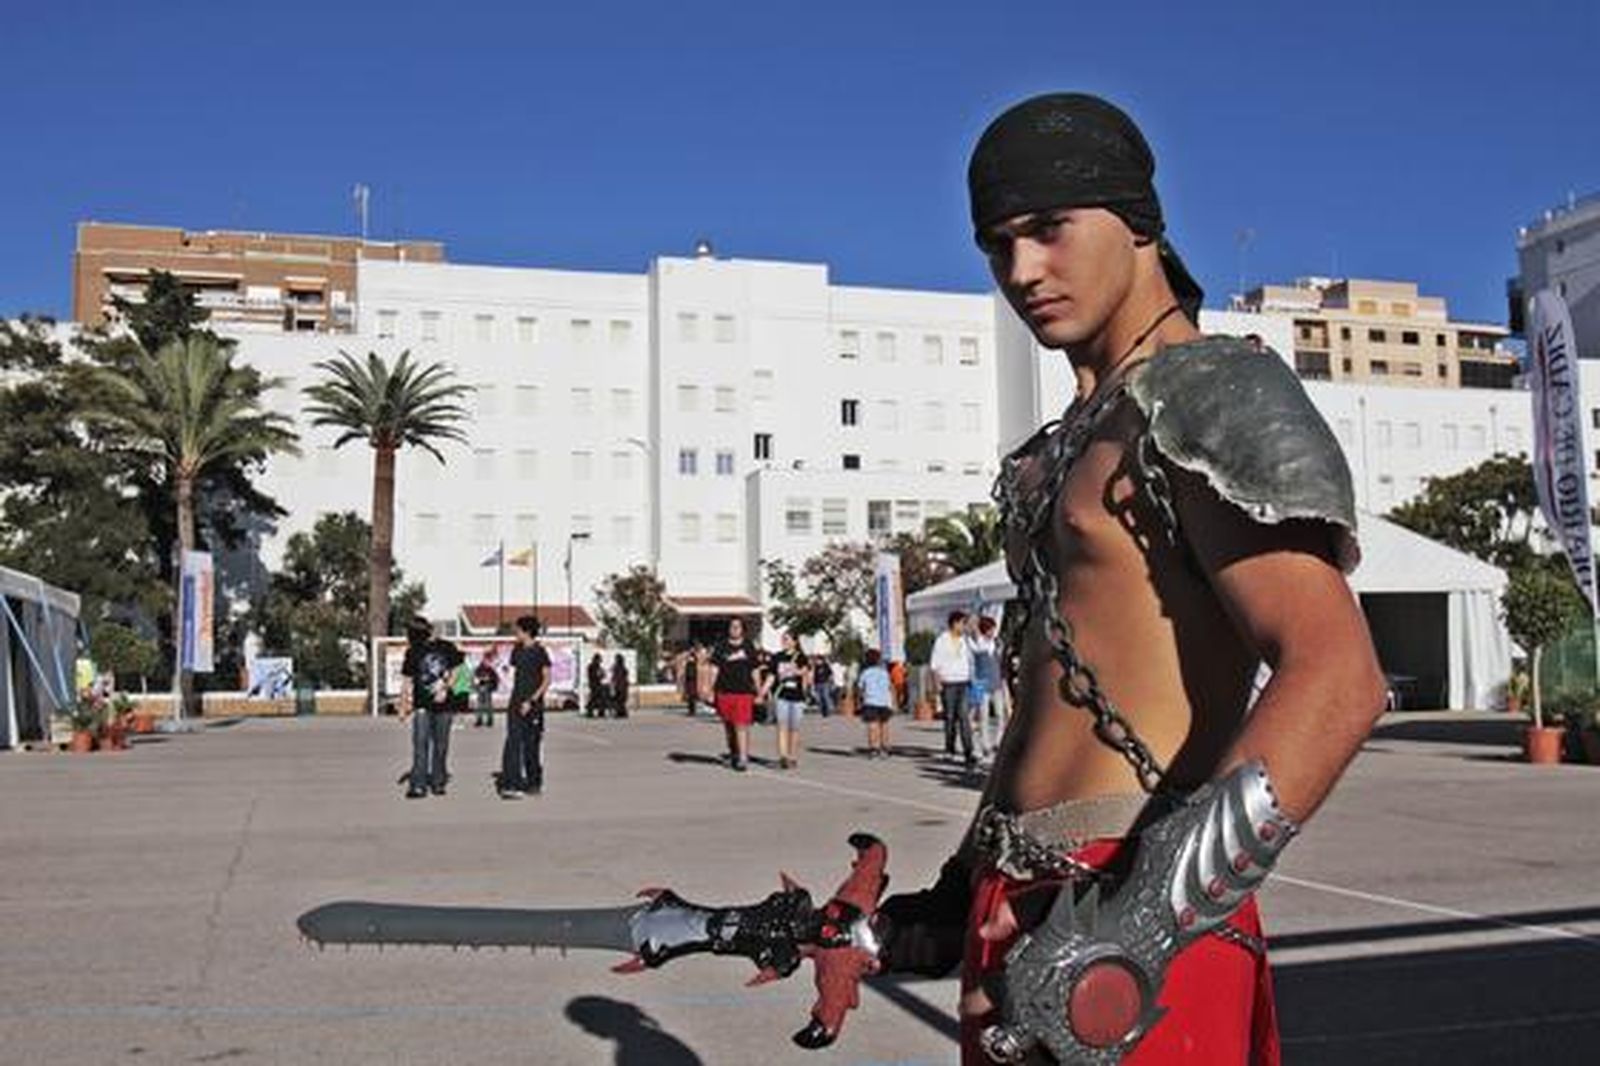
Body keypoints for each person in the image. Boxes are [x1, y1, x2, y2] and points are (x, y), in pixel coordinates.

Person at [875, 93, 1386, 1065]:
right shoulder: (1059, 446)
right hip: (1022, 900)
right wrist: (955, 891)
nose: (1021, 271)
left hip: (1140, 917)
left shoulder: (1213, 390)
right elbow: (1044, 704)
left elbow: (1338, 677)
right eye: (996, 245)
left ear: (1137, 221)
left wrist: (1142, 918)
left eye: (1046, 230)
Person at [399, 617, 463, 798]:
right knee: (420, 744)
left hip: (445, 704)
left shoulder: (446, 647)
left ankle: (438, 781)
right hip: (421, 705)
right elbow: (407, 680)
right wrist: (403, 705)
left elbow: (458, 670)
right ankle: (418, 785)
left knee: (441, 745)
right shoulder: (412, 652)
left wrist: (445, 688)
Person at [499, 615, 551, 798]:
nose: (515, 633)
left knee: (532, 746)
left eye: (518, 630)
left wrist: (532, 701)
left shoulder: (540, 652)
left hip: (533, 705)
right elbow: (514, 673)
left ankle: (534, 782)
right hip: (516, 702)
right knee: (513, 742)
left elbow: (546, 680)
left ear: (527, 631)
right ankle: (511, 784)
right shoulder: (516, 650)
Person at [707, 618, 762, 772]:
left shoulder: (749, 646)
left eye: (738, 627)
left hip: (744, 692)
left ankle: (743, 758)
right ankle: (734, 753)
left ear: (742, 629)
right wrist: (710, 690)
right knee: (729, 725)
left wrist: (759, 691)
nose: (735, 629)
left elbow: (755, 669)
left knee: (741, 724)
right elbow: (714, 669)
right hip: (724, 691)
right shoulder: (721, 646)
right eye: (732, 626)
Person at [929, 610, 976, 769]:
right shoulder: (942, 640)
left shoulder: (966, 641)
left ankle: (969, 751)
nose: (964, 626)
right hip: (948, 682)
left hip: (963, 682)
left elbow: (973, 657)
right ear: (954, 623)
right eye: (963, 623)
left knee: (964, 717)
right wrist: (937, 683)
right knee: (950, 717)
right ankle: (949, 748)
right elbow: (935, 664)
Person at [768, 631, 810, 770]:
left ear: (794, 641)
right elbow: (771, 676)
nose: (784, 641)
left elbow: (805, 672)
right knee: (782, 726)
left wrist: (793, 671)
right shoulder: (777, 657)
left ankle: (792, 757)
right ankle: (783, 757)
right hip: (781, 695)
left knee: (794, 728)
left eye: (787, 639)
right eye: (783, 639)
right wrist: (762, 692)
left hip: (797, 696)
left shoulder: (801, 657)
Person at [965, 615, 1001, 759]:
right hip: (981, 683)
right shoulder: (977, 644)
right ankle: (984, 744)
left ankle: (997, 741)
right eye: (991, 629)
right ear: (985, 630)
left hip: (996, 682)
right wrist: (974, 627)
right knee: (983, 716)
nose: (993, 632)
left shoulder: (997, 643)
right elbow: (974, 642)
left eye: (994, 629)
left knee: (1000, 714)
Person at [855, 648, 895, 758]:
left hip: (871, 701)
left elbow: (860, 688)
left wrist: (858, 701)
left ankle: (874, 748)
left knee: (872, 725)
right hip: (884, 702)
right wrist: (894, 702)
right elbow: (890, 687)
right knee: (884, 725)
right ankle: (885, 747)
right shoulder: (884, 673)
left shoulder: (865, 673)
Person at [472, 648, 500, 728]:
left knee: (488, 705)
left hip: (488, 688)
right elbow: (475, 678)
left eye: (489, 660)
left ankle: (489, 720)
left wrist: (490, 681)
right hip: (481, 688)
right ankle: (479, 720)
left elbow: (495, 679)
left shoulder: (490, 670)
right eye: (487, 660)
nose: (488, 662)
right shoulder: (479, 669)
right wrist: (480, 681)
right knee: (480, 705)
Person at [584, 653, 607, 718]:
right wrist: (600, 675)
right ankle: (590, 711)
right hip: (594, 684)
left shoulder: (598, 667)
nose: (600, 662)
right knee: (594, 698)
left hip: (598, 684)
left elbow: (602, 675)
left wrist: (602, 675)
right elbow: (594, 676)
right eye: (599, 660)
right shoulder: (591, 667)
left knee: (601, 698)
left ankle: (601, 712)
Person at [610, 654, 630, 718]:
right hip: (622, 686)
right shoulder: (622, 668)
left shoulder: (617, 668)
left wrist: (613, 682)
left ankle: (621, 712)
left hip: (620, 686)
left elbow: (615, 677)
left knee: (619, 700)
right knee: (620, 700)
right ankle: (621, 712)